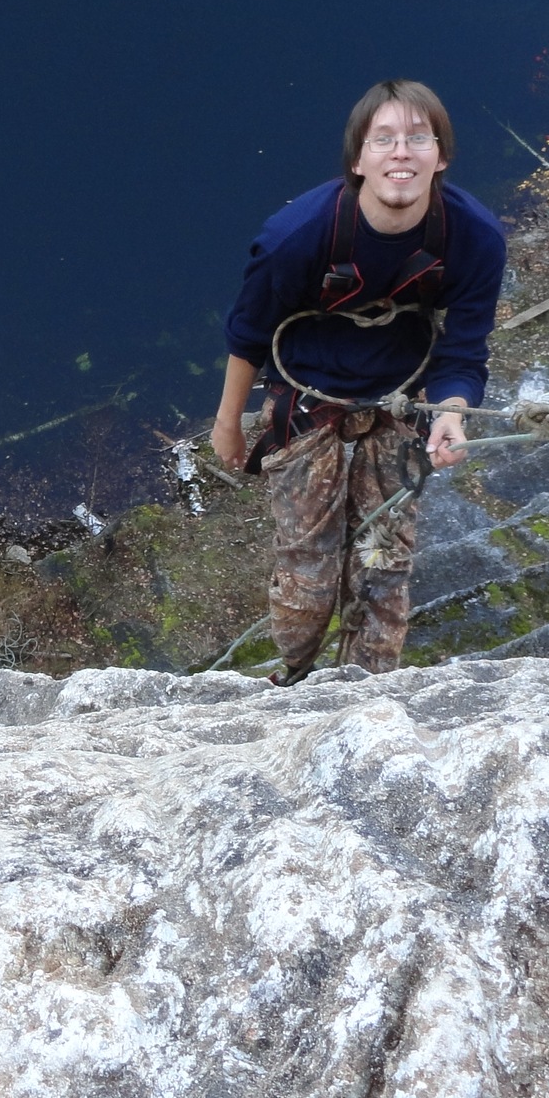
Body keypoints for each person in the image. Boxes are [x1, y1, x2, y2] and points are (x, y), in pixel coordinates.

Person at [211, 78, 507, 680]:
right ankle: (294, 677)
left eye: (418, 138)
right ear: (357, 160)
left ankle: (366, 692)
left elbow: (463, 350)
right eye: (384, 139)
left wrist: (450, 412)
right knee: (308, 569)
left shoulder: (474, 238)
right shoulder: (296, 237)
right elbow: (248, 335)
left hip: (401, 397)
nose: (402, 152)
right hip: (307, 396)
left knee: (383, 563)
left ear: (441, 156)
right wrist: (228, 424)